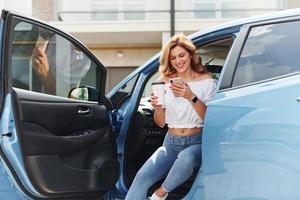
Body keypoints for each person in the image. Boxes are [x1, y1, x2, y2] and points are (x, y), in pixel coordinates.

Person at [125, 34, 216, 200]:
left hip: (197, 141)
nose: (178, 61)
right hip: (171, 142)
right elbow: (160, 123)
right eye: (173, 58)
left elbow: (210, 119)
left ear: (191, 55)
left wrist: (191, 96)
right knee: (142, 177)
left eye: (182, 55)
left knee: (186, 159)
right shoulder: (164, 82)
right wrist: (158, 108)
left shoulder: (207, 82)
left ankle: (160, 194)